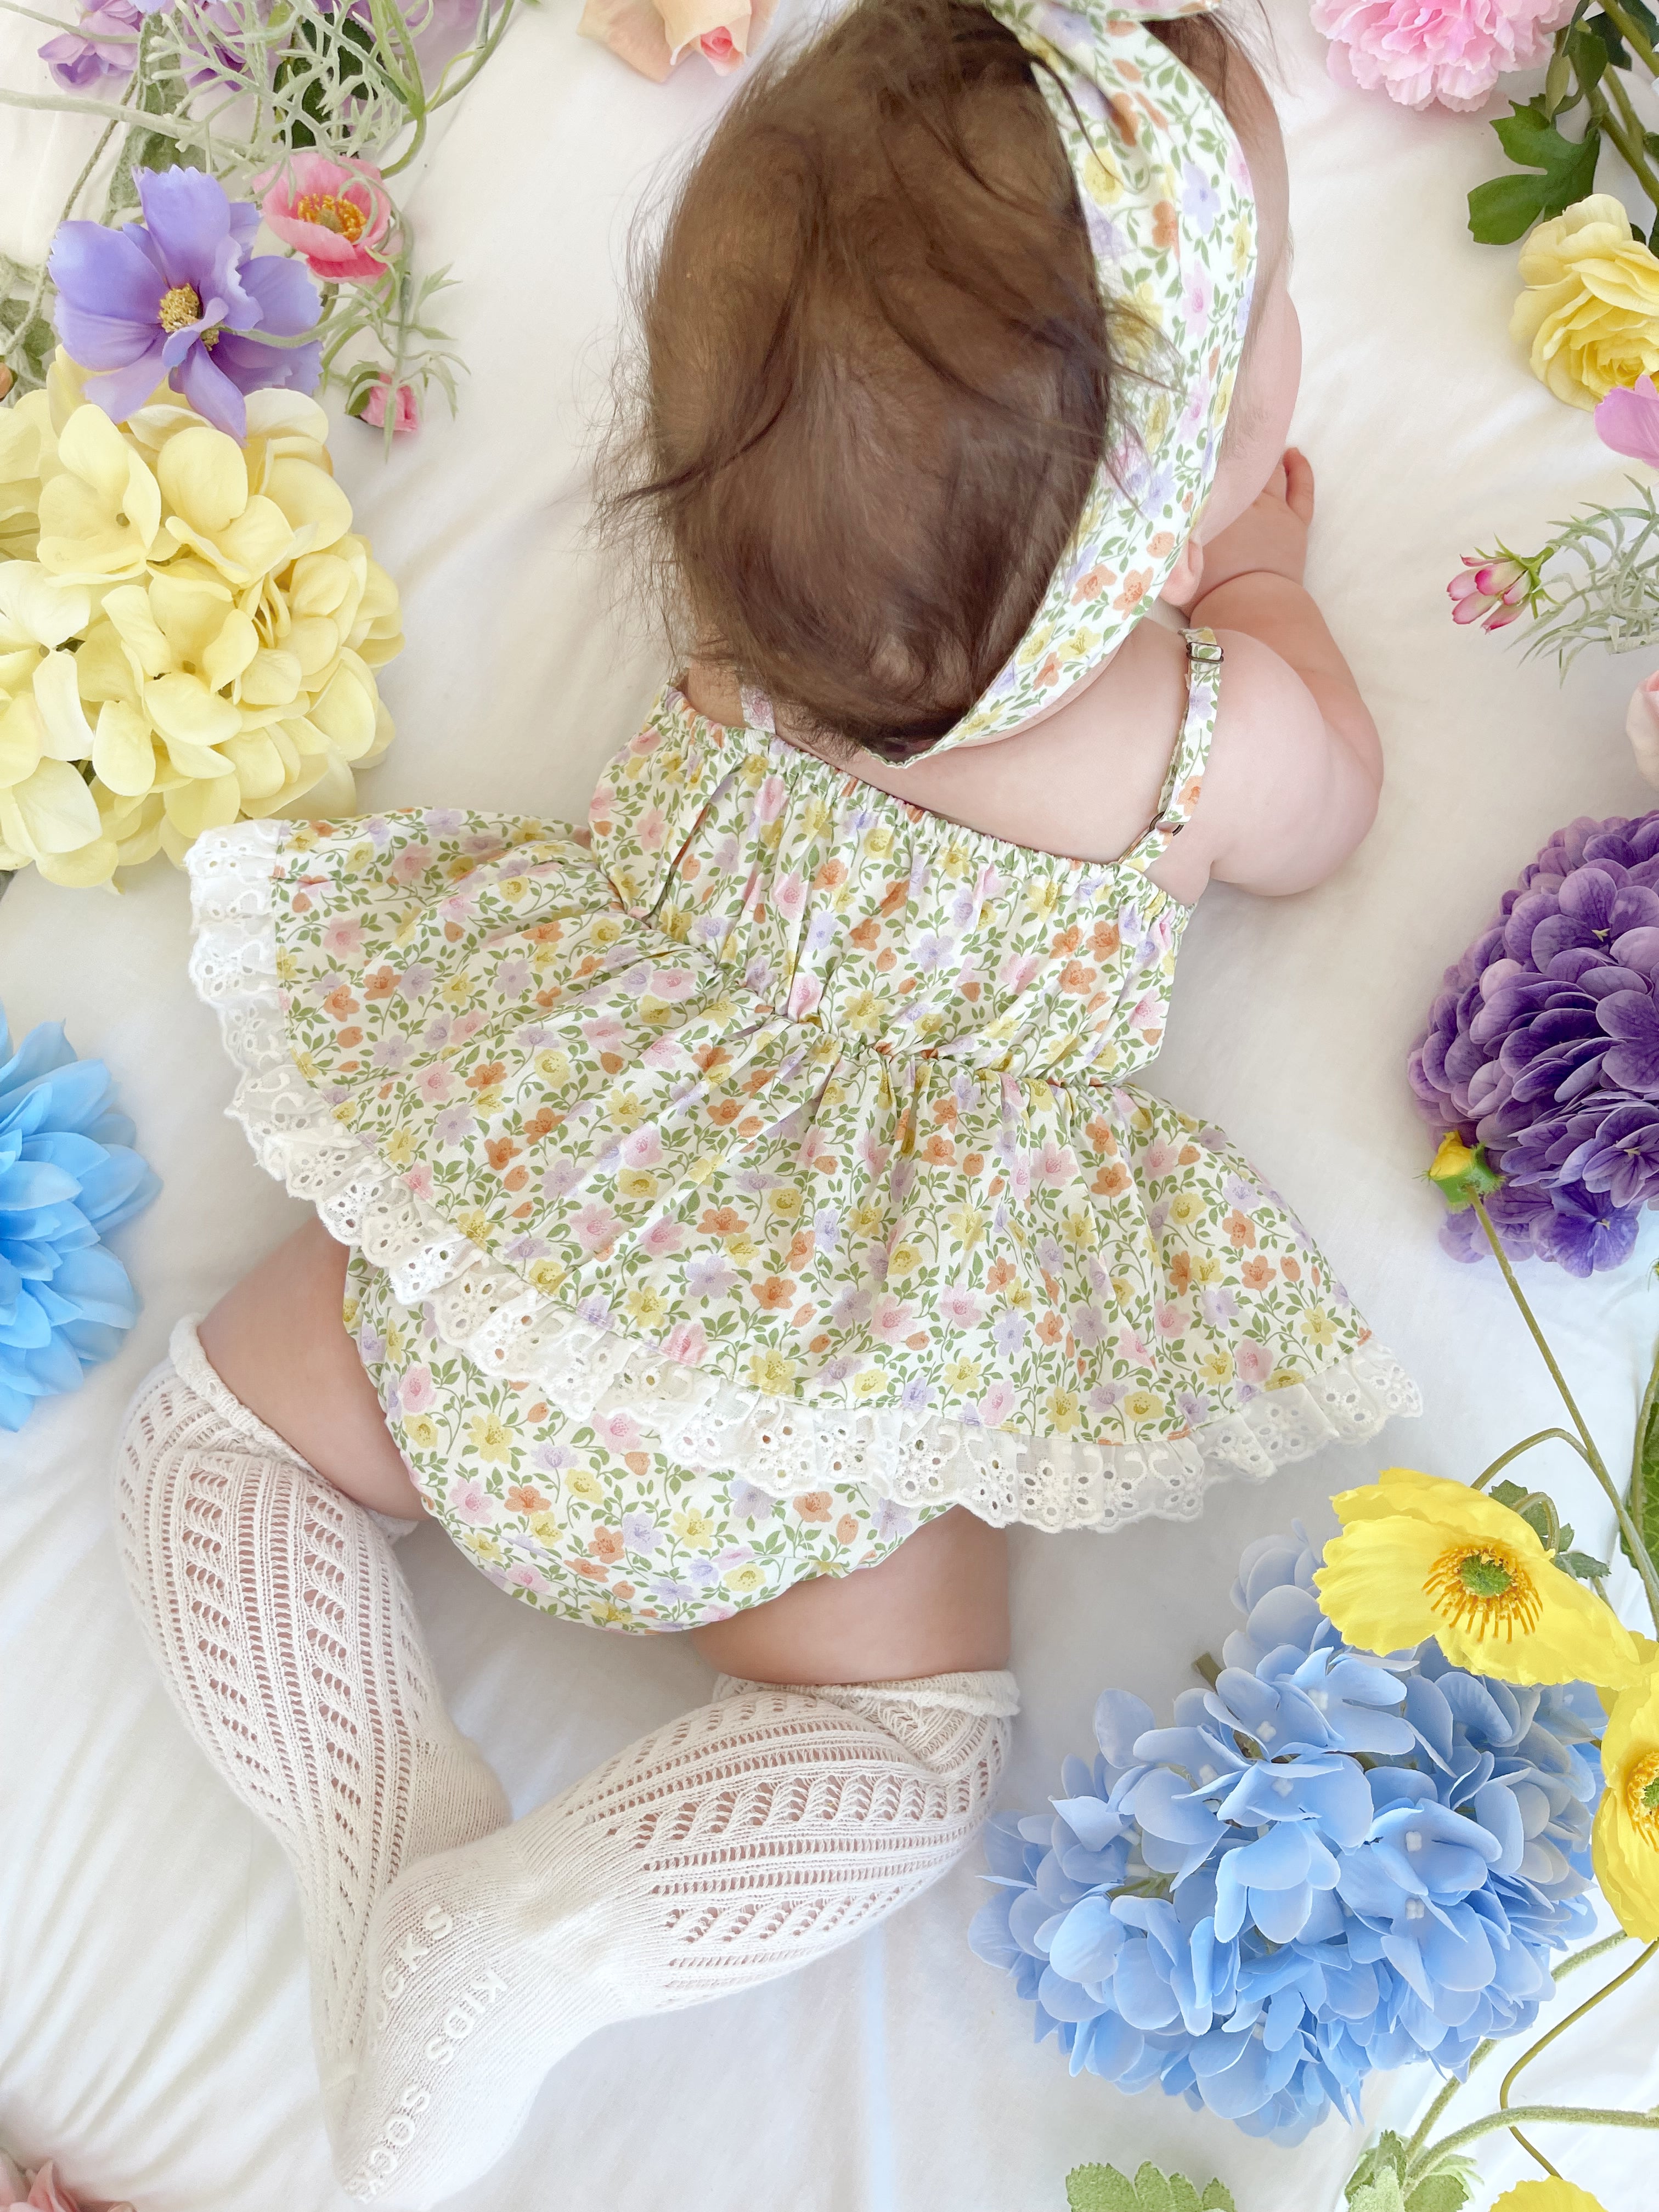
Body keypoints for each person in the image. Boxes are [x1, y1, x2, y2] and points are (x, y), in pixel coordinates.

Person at [115, 0, 1417, 2200]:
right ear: (1171, 489)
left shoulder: (754, 625)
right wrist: (1268, 587)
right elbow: (1337, 809)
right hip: (797, 1447)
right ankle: (525, 1932)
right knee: (907, 1745)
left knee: (218, 1442)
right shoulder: (1184, 734)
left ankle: (375, 1828)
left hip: (501, 1290)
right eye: (1265, 312)